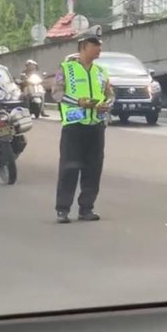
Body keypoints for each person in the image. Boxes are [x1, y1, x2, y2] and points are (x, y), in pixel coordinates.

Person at [52, 28, 114, 224]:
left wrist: (107, 105)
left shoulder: (101, 72)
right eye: (95, 46)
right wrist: (78, 102)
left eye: (100, 46)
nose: (99, 50)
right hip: (74, 125)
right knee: (69, 168)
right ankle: (63, 209)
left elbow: (110, 94)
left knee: (93, 169)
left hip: (95, 125)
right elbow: (57, 93)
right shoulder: (66, 69)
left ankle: (86, 208)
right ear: (83, 47)